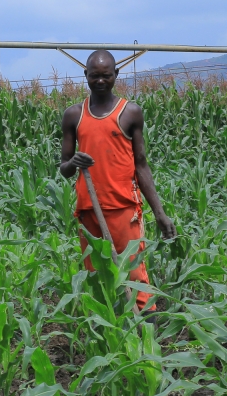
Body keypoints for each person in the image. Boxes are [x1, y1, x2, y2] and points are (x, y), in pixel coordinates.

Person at [59, 50, 175, 311]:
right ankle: (109, 335)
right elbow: (64, 168)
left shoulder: (130, 112)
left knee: (134, 276)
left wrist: (160, 213)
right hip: (89, 210)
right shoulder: (73, 115)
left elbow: (141, 165)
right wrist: (73, 163)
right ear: (86, 75)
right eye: (95, 75)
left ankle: (147, 335)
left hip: (124, 209)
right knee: (97, 277)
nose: (100, 81)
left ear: (116, 75)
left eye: (106, 75)